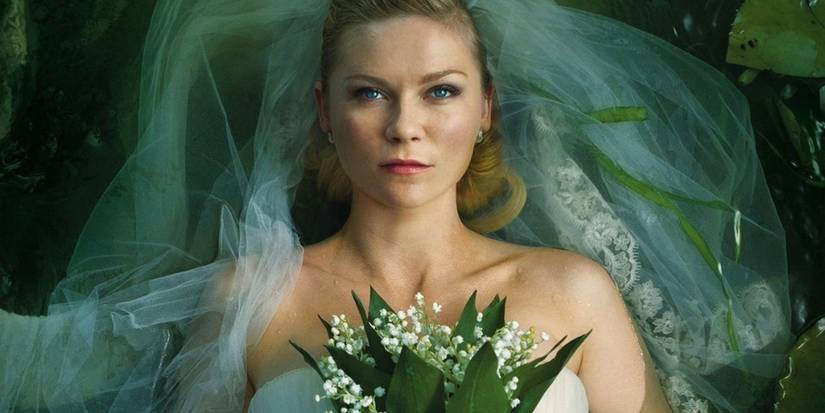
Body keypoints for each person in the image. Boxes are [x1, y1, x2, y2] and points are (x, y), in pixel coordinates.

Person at [0, 0, 791, 412]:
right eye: (369, 92)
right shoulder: (252, 298)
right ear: (322, 108)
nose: (404, 126)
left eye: (440, 91)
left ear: (485, 107)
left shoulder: (572, 291)